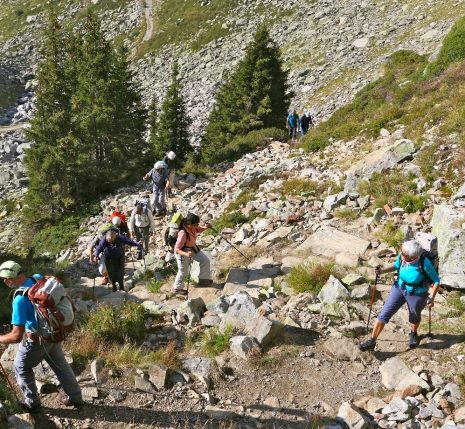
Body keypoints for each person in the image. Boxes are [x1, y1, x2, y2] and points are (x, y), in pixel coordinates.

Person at [0, 261, 83, 414]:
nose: (5, 282)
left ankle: (32, 403)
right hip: (53, 331)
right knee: (60, 365)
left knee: (21, 367)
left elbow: (16, 336)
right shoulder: (37, 278)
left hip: (38, 339)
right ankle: (76, 397)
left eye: (6, 279)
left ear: (12, 278)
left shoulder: (19, 300)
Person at [359, 240, 441, 351]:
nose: (400, 254)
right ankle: (372, 341)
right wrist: (382, 271)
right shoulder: (402, 257)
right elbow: (396, 265)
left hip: (417, 293)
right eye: (402, 252)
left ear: (412, 257)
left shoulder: (424, 263)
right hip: (399, 287)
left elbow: (436, 280)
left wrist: (432, 297)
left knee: (414, 316)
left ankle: (413, 333)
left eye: (403, 254)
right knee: (384, 313)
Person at [173, 213, 212, 295]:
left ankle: (203, 280)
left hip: (193, 249)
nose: (197, 225)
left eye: (198, 223)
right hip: (183, 252)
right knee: (183, 271)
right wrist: (186, 254)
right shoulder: (183, 233)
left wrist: (206, 227)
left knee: (205, 260)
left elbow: (198, 229)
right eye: (196, 224)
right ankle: (177, 288)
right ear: (189, 224)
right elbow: (176, 249)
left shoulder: (192, 227)